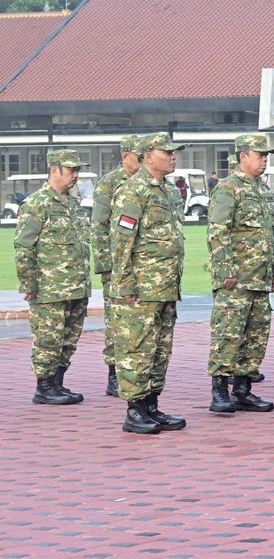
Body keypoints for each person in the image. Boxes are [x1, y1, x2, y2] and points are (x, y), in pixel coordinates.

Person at [109, 132, 187, 435]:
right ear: (147, 155)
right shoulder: (133, 191)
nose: (172, 156)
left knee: (159, 348)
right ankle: (135, 410)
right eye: (166, 152)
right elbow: (121, 242)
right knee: (137, 348)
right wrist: (125, 284)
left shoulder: (168, 191)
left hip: (166, 285)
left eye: (173, 152)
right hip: (141, 287)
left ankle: (152, 405)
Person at [206, 133, 274, 415]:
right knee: (228, 334)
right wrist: (225, 269)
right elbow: (217, 231)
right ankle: (220, 391)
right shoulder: (228, 188)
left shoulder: (261, 189)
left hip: (259, 276)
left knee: (256, 335)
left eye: (265, 155)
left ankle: (243, 390)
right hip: (236, 278)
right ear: (243, 157)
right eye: (259, 155)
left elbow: (268, 235)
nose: (264, 160)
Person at [16, 149, 92, 405]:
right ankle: (44, 386)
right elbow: (25, 246)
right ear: (54, 170)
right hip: (49, 288)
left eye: (77, 170)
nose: (75, 175)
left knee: (69, 339)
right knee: (48, 340)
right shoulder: (37, 203)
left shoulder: (73, 204)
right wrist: (28, 282)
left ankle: (57, 382)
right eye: (71, 170)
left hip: (76, 285)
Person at [90, 134, 142, 397]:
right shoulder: (109, 184)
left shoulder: (149, 183)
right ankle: (113, 374)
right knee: (116, 321)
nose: (143, 161)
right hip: (116, 265)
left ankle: (135, 374)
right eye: (138, 156)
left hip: (143, 267)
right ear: (125, 157)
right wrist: (105, 266)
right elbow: (99, 226)